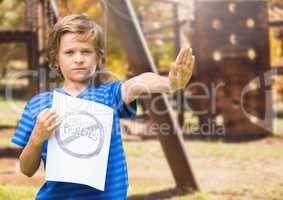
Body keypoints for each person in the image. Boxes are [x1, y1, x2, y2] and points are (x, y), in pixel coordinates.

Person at [11, 14, 195, 200]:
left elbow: (138, 83)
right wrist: (36, 138)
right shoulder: (39, 105)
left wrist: (171, 83)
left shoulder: (110, 94)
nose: (79, 59)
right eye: (69, 52)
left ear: (98, 57)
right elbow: (27, 170)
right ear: (56, 58)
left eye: (86, 51)